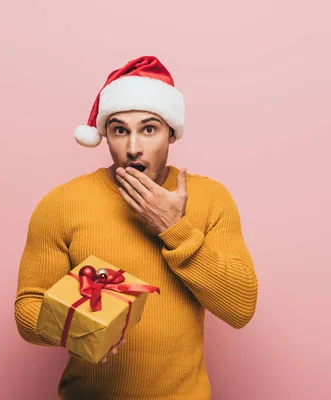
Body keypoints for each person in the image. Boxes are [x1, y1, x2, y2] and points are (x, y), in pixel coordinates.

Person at [14, 55, 258, 400]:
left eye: (149, 129)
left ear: (171, 133)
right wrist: (79, 324)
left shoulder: (212, 198)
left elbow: (241, 308)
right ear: (105, 136)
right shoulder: (61, 204)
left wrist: (174, 228)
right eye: (119, 130)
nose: (132, 148)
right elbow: (27, 310)